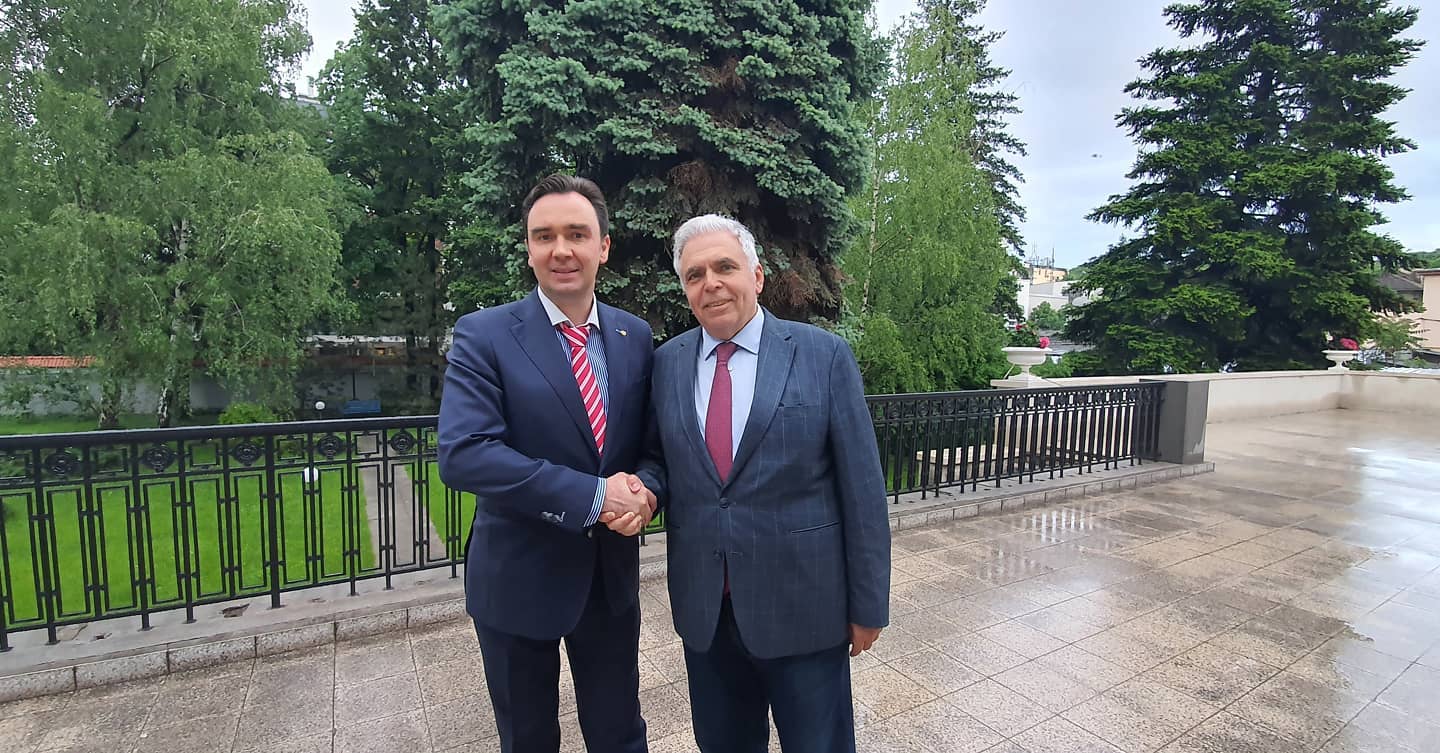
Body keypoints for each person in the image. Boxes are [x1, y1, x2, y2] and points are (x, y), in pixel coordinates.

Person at [637, 214, 891, 753]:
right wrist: (643, 491)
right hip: (707, 615)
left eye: (724, 267)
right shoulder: (666, 364)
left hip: (806, 611)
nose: (711, 283)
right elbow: (658, 459)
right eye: (695, 274)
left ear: (756, 276)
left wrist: (868, 606)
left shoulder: (823, 356)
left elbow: (863, 492)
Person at [438, 174, 657, 753]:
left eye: (577, 234)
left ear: (603, 247)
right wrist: (595, 497)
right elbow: (465, 453)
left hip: (608, 583)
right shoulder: (483, 335)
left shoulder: (634, 336)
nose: (561, 249)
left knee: (620, 735)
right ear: (529, 248)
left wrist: (647, 494)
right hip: (517, 581)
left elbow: (652, 448)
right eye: (545, 236)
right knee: (529, 740)